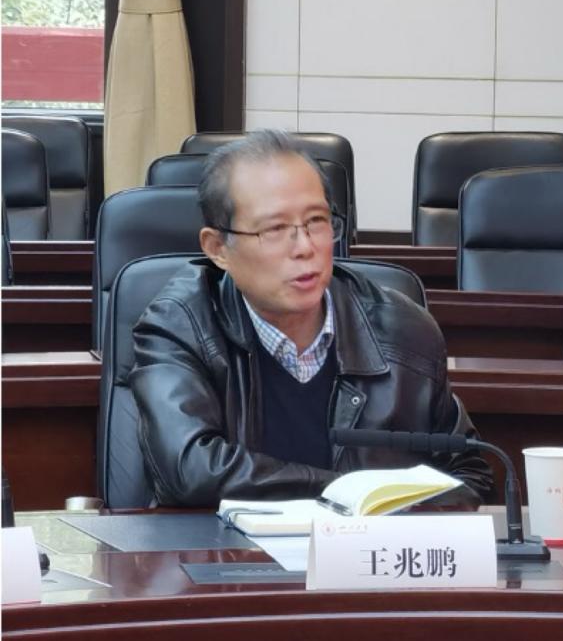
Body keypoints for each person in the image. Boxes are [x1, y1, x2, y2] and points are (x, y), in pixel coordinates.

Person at [129, 130, 493, 507]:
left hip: (371, 545)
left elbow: (470, 472)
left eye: (317, 221)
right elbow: (191, 470)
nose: (305, 247)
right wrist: (347, 494)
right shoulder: (179, 325)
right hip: (218, 544)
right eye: (275, 229)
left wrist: (386, 518)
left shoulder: (403, 329)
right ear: (218, 248)